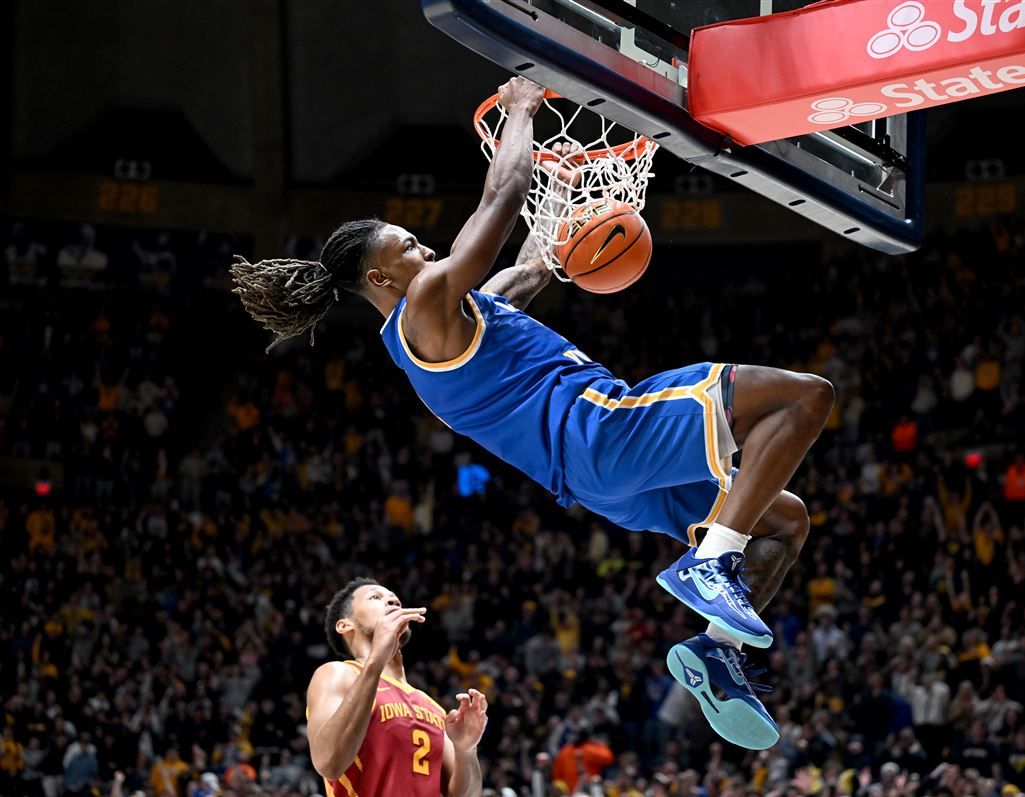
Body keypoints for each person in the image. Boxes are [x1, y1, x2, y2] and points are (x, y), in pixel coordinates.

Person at [234, 77, 833, 749]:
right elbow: (501, 194)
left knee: (785, 523)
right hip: (602, 430)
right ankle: (711, 563)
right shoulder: (423, 308)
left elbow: (532, 267)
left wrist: (567, 193)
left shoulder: (455, 317)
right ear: (380, 278)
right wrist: (521, 108)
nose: (423, 249)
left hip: (599, 480)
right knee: (806, 396)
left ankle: (716, 652)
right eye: (405, 246)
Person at [305, 577, 488, 796]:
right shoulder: (338, 674)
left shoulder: (432, 706)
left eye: (394, 599)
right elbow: (328, 763)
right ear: (345, 625)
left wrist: (466, 750)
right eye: (375, 597)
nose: (392, 601)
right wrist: (376, 660)